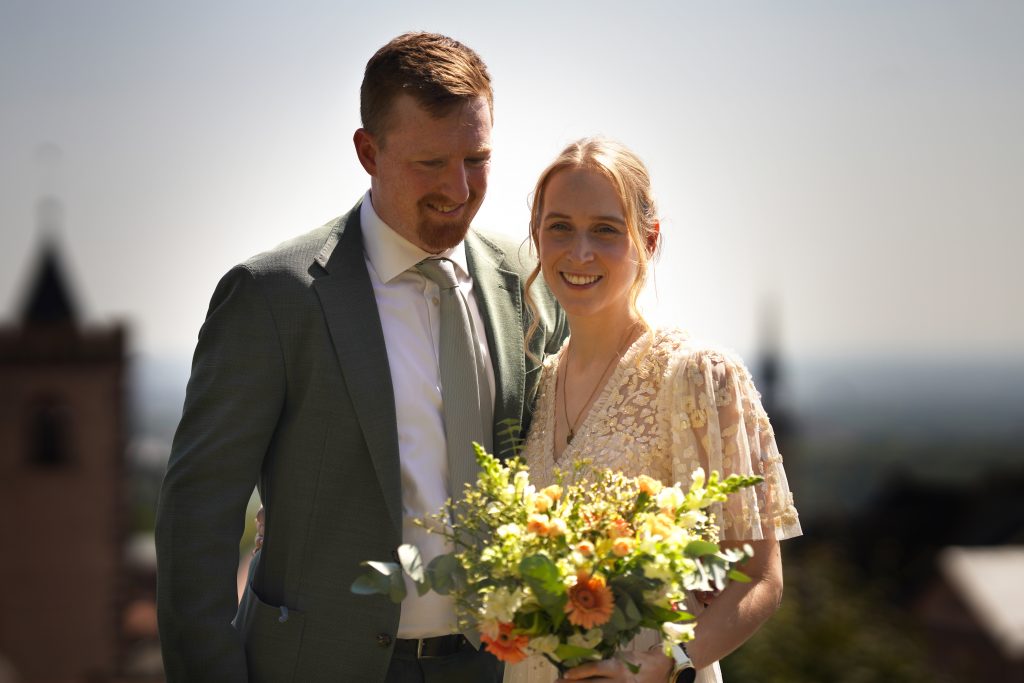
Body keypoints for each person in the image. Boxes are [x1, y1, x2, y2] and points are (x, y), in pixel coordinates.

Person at [154, 32, 566, 683]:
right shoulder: (272, 296)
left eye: (476, 158)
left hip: (499, 667)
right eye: (431, 162)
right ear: (367, 151)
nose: (459, 188)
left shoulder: (526, 280)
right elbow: (196, 521)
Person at [504, 137, 803, 683]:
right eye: (560, 227)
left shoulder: (698, 375)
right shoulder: (538, 383)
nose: (580, 251)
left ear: (649, 236)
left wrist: (664, 659)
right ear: (537, 235)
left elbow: (760, 579)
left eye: (605, 229)